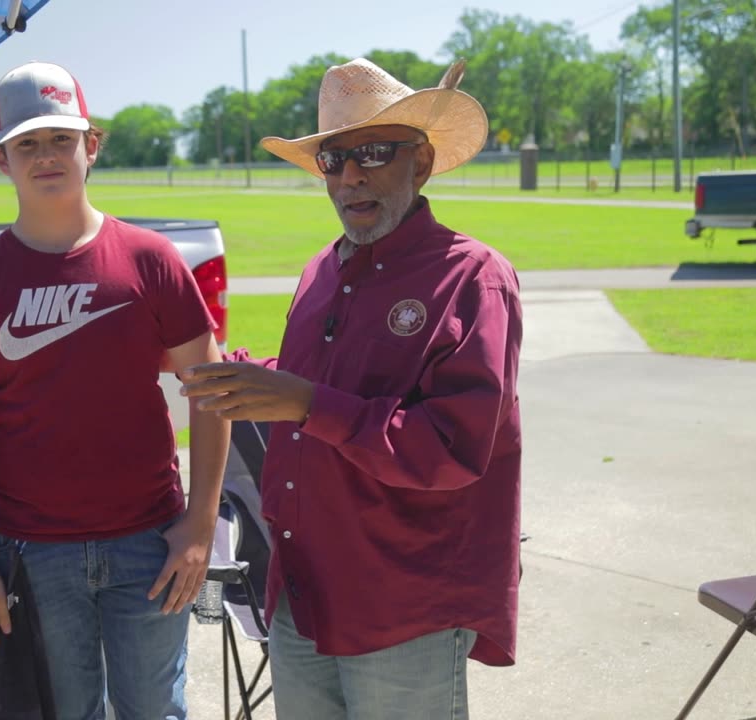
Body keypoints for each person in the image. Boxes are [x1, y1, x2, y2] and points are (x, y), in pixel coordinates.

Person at [179, 57, 522, 720]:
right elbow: (321, 375)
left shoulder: (473, 277)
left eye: (372, 153)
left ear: (419, 163)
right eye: (333, 160)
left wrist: (305, 404)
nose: (350, 177)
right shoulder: (321, 270)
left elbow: (452, 449)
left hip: (405, 606)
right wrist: (232, 367)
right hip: (302, 594)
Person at [0, 61, 229, 720]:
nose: (46, 156)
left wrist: (200, 524)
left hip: (149, 545)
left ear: (91, 147)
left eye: (61, 139)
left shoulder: (149, 260)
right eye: (26, 143)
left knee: (154, 711)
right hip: (34, 553)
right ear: (1, 161)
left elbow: (211, 392)